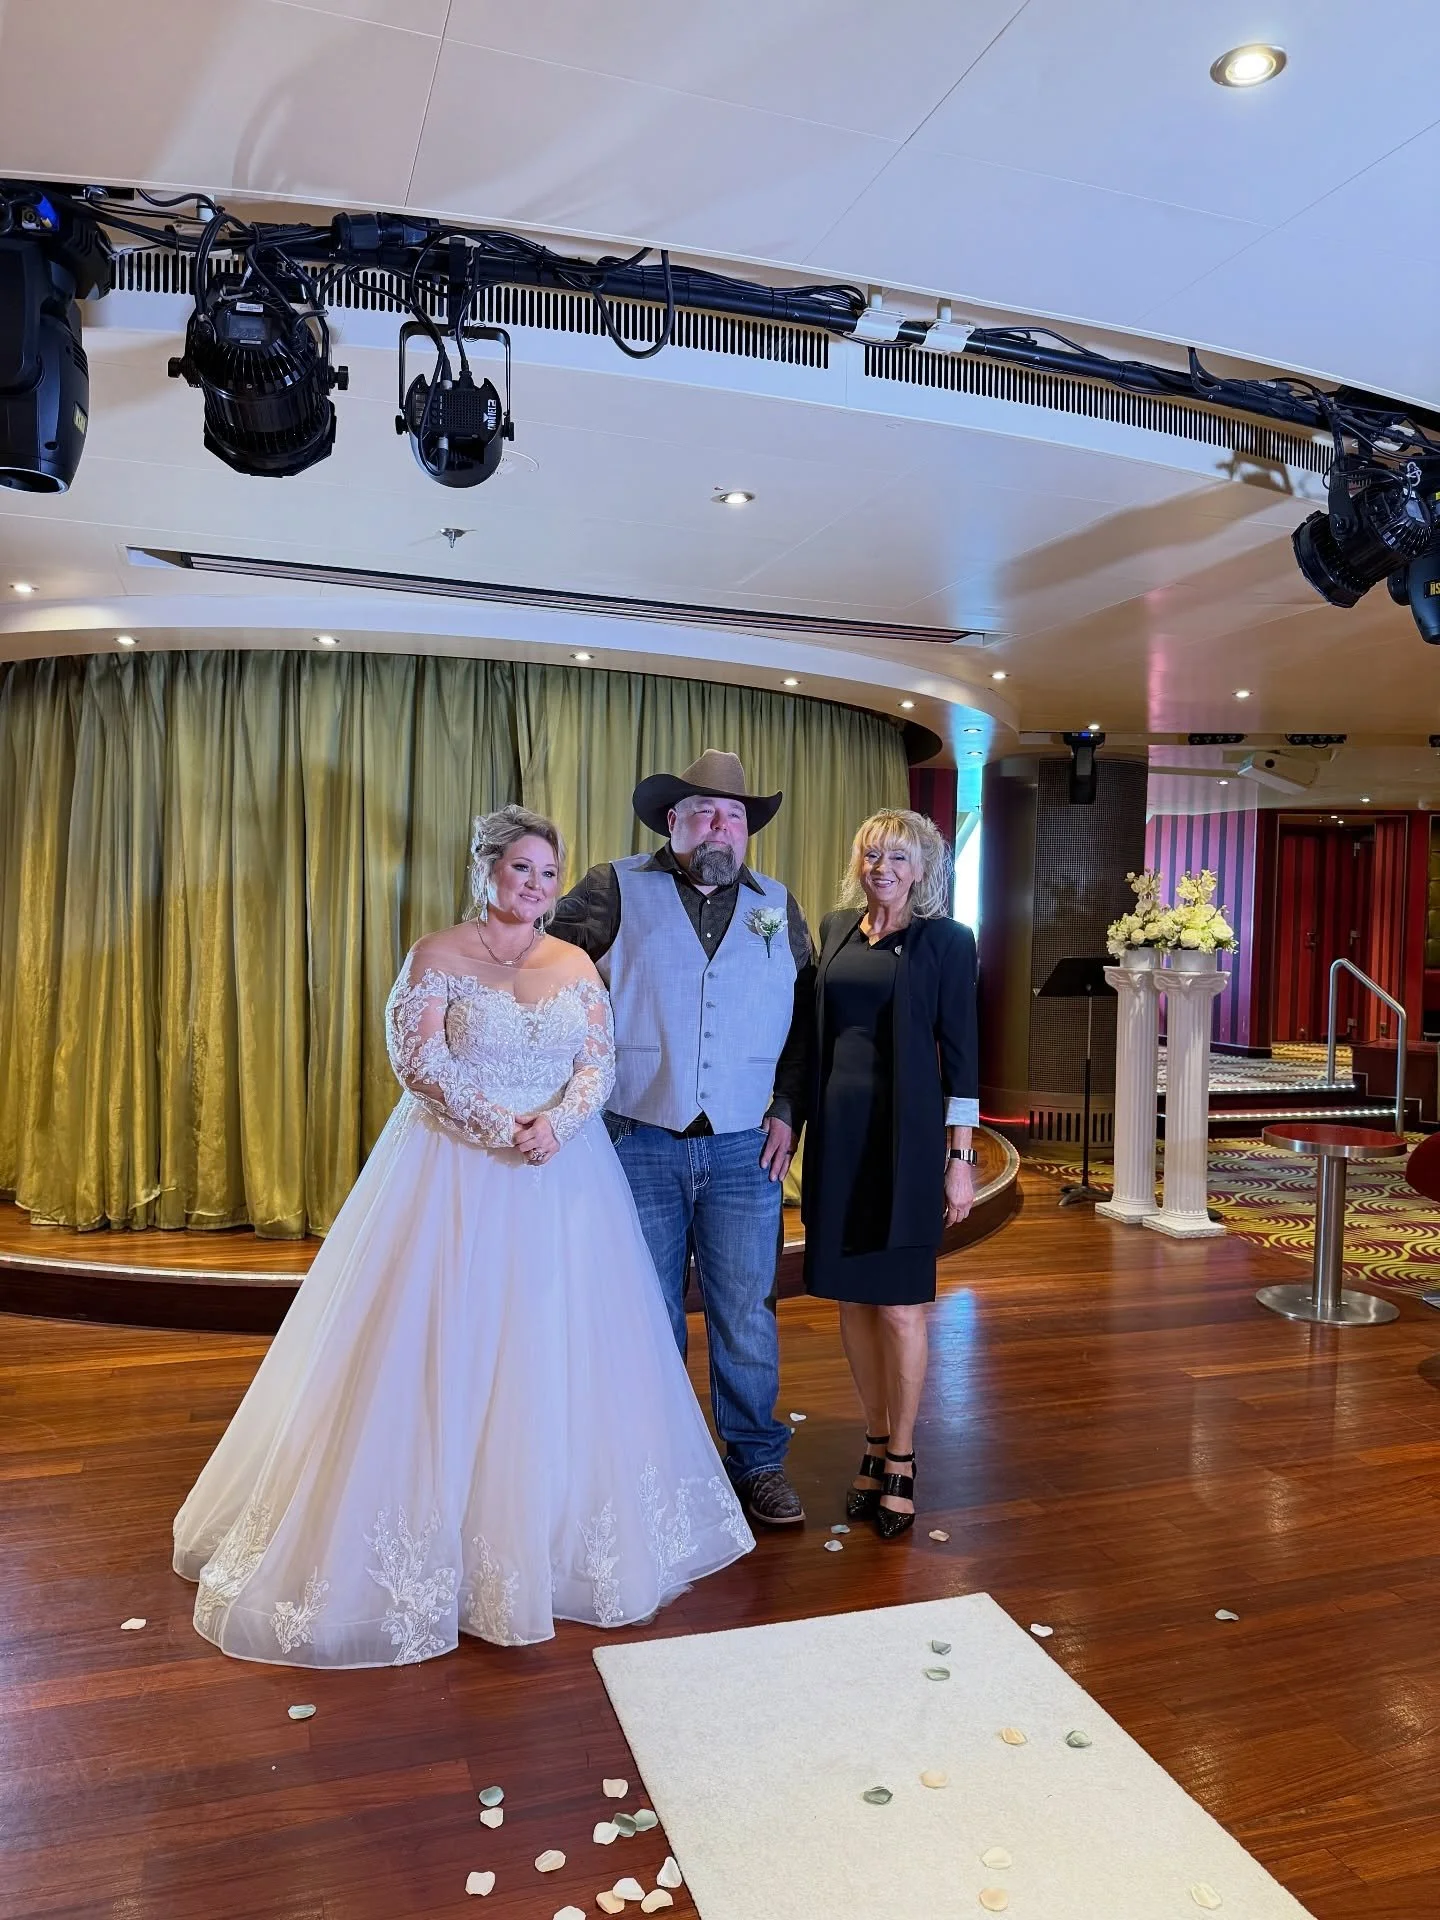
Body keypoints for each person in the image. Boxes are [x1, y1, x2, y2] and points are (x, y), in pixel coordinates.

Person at [172, 804, 753, 1667]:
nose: (536, 887)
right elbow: (418, 1061)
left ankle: (547, 1538)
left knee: (553, 1349)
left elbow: (601, 1062)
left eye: (549, 874)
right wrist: (497, 1123)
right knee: (436, 1340)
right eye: (522, 869)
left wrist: (555, 1125)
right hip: (449, 1171)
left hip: (561, 1178)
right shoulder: (436, 955)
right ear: (486, 871)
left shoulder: (573, 963)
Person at [553, 750, 814, 1529]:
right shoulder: (612, 886)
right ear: (673, 821)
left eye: (734, 815)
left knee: (746, 1313)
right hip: (638, 1136)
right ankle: (658, 1464)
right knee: (647, 1309)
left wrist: (787, 1107)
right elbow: (543, 969)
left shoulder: (778, 903)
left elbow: (807, 1016)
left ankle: (756, 1462)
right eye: (703, 812)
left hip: (743, 1145)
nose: (719, 827)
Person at [801, 809, 979, 1539]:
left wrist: (960, 1158)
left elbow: (962, 1054)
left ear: (924, 869)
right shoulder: (837, 927)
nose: (883, 869)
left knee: (902, 1308)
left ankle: (902, 1457)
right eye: (873, 855)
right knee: (851, 1301)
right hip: (838, 1140)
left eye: (899, 859)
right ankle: (872, 1441)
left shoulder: (946, 941)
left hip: (905, 1143)